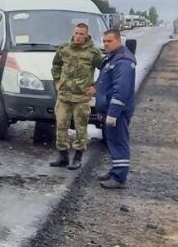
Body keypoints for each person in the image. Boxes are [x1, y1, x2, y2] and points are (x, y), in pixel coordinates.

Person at [49, 23, 103, 170]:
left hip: (81, 97)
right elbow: (56, 64)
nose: (78, 37)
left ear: (87, 35)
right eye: (76, 33)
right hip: (64, 96)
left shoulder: (93, 53)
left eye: (81, 34)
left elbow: (105, 70)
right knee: (61, 125)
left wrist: (95, 87)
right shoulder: (65, 49)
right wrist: (57, 80)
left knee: (81, 128)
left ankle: (78, 157)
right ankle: (63, 155)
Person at [94, 28, 136, 189]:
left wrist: (113, 113)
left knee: (119, 142)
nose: (106, 44)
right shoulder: (112, 59)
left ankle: (119, 178)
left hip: (117, 112)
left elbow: (121, 89)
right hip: (109, 110)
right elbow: (106, 83)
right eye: (104, 41)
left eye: (109, 41)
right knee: (113, 141)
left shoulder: (123, 62)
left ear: (119, 41)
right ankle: (115, 172)